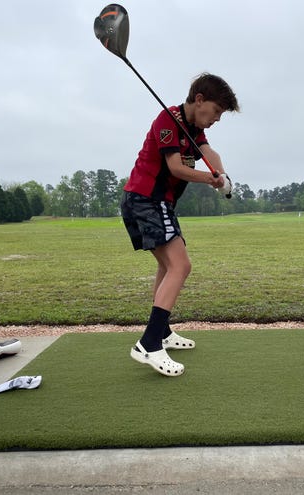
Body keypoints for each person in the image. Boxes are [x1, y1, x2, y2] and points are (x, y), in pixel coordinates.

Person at [120, 72, 239, 377]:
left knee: (167, 266)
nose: (216, 119)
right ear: (199, 100)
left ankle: (162, 332)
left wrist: (222, 174)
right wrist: (211, 180)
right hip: (146, 200)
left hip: (157, 203)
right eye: (216, 111)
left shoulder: (192, 127)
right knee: (180, 266)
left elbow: (208, 152)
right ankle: (148, 343)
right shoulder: (168, 121)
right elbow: (175, 167)